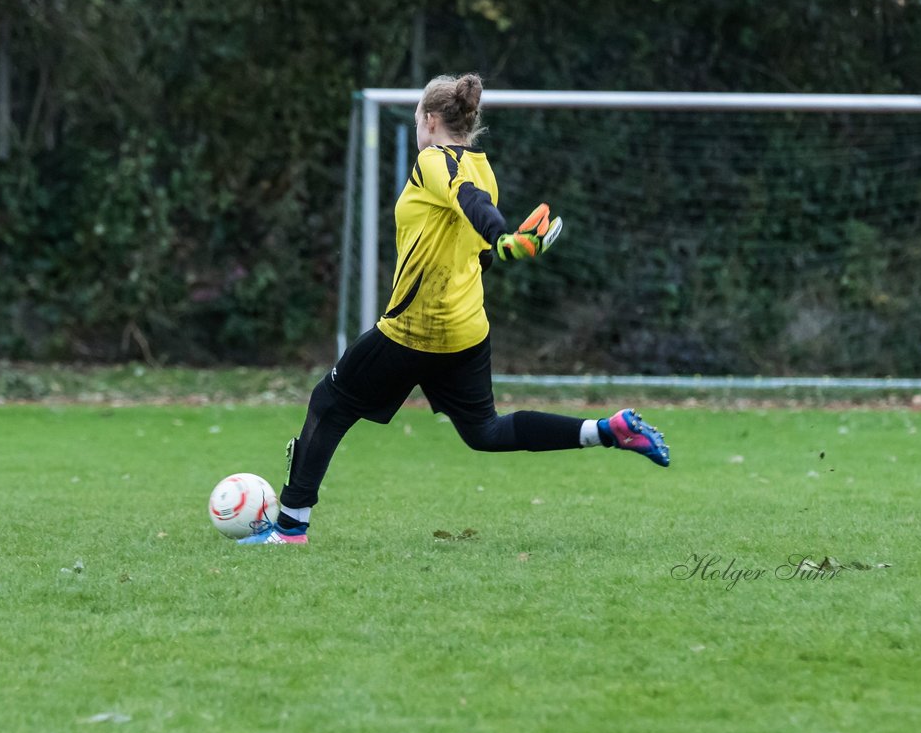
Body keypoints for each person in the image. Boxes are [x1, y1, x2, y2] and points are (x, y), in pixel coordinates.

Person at [238, 73, 669, 545]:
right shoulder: (484, 167)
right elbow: (471, 240)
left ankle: (291, 527)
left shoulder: (432, 160)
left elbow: (469, 201)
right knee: (483, 431)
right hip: (465, 330)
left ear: (429, 119)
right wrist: (499, 249)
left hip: (414, 328)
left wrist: (502, 236)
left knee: (328, 404)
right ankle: (609, 430)